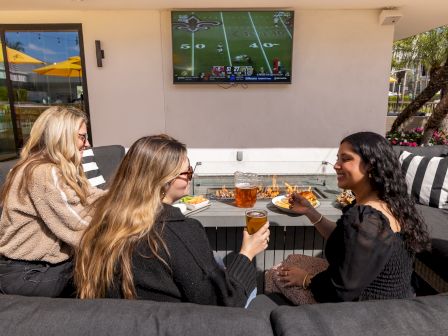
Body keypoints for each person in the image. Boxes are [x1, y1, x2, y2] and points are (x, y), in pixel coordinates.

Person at [74, 134, 270, 307]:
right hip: (175, 325)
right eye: (187, 174)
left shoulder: (104, 220)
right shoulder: (182, 233)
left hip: (124, 322)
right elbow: (223, 302)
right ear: (163, 181)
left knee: (218, 262)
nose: (190, 179)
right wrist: (247, 254)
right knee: (248, 287)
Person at [275, 131, 430, 303]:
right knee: (293, 260)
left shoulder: (366, 219)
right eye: (337, 158)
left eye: (346, 159)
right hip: (394, 296)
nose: (336, 165)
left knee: (275, 274)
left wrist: (305, 279)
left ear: (370, 165)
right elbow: (345, 238)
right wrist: (310, 212)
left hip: (367, 309)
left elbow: (341, 290)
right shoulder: (391, 203)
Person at [0, 106, 105, 297]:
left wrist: (126, 198)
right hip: (32, 274)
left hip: (27, 270)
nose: (88, 144)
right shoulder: (46, 173)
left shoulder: (42, 167)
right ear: (62, 136)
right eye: (82, 137)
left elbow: (91, 196)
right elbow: (78, 226)